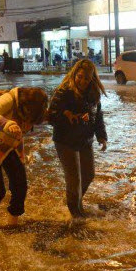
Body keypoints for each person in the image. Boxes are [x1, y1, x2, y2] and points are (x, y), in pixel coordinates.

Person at [0, 87, 49, 227]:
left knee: (20, 186)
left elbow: (44, 117)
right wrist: (7, 123)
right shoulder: (9, 99)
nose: (28, 124)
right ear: (25, 107)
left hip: (11, 149)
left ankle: (13, 223)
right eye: (28, 120)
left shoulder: (36, 109)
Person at [47, 59, 108, 219]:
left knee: (88, 175)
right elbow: (50, 116)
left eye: (86, 79)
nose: (82, 81)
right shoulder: (63, 92)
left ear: (92, 79)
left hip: (85, 140)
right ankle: (76, 215)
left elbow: (97, 117)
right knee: (74, 179)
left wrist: (101, 136)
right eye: (79, 77)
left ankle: (75, 203)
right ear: (74, 75)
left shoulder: (94, 94)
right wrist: (65, 114)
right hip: (65, 141)